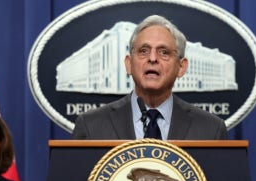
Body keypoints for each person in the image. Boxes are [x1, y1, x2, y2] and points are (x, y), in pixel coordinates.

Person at [72, 14, 227, 140]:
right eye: (143, 51)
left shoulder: (211, 130)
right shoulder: (90, 126)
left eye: (164, 52)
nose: (152, 58)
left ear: (181, 67)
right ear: (129, 64)